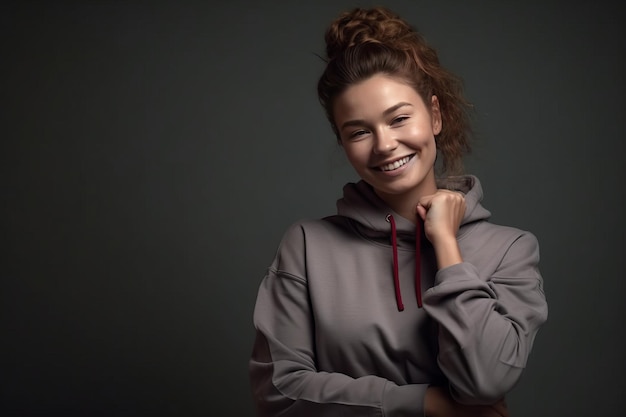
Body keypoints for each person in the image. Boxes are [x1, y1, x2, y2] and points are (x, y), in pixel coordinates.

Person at [249, 6, 548, 417]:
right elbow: (278, 389)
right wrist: (425, 404)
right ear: (343, 143)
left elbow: (486, 381)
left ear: (435, 116)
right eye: (359, 131)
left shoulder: (509, 249)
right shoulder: (306, 246)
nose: (384, 144)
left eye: (399, 119)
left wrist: (445, 245)